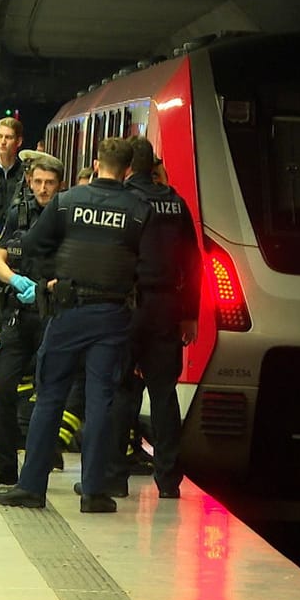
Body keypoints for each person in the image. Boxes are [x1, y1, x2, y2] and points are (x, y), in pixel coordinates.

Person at [0, 137, 149, 513]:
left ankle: (32, 487)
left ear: (96, 164)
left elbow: (31, 245)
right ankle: (94, 491)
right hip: (112, 314)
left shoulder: (67, 202)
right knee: (100, 401)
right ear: (128, 170)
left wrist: (53, 278)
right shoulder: (139, 210)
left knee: (49, 396)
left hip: (67, 310)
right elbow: (150, 264)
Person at [105, 137, 201, 499]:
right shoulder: (175, 204)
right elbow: (193, 263)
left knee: (122, 391)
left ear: (127, 166)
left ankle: (114, 476)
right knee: (164, 394)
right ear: (152, 166)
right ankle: (168, 480)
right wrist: (189, 314)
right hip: (167, 308)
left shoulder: (120, 201)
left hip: (126, 307)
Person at [0, 153, 61, 488]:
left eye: (49, 183)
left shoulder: (66, 215)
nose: (43, 188)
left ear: (59, 184)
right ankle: (4, 465)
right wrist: (14, 280)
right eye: (38, 182)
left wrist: (46, 288)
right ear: (29, 181)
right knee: (4, 387)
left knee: (49, 390)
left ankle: (42, 460)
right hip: (18, 313)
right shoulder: (18, 214)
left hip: (53, 313)